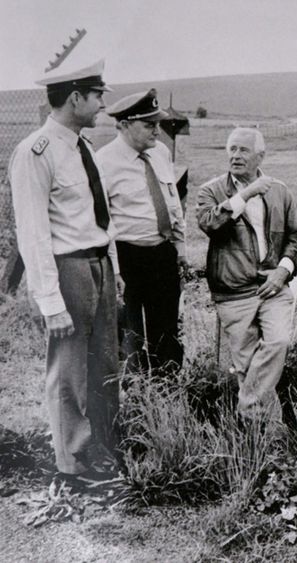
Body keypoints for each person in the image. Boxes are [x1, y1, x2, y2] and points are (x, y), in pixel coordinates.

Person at [9, 60, 121, 486]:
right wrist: (51, 303)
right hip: (68, 268)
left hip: (99, 265)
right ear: (75, 97)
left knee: (105, 365)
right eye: (97, 95)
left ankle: (105, 452)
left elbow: (99, 218)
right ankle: (73, 463)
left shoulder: (83, 146)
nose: (102, 104)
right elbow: (33, 234)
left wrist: (113, 272)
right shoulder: (35, 152)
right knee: (70, 370)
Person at [196, 127, 297, 423]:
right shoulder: (210, 190)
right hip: (232, 291)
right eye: (231, 149)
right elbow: (208, 223)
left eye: (243, 150)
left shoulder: (279, 190)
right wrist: (244, 195)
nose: (235, 155)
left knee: (278, 342)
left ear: (260, 156)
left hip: (274, 286)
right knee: (246, 366)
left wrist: (283, 271)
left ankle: (246, 408)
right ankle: (270, 439)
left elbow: (296, 237)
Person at [97, 89, 185, 376]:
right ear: (123, 125)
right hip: (126, 256)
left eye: (158, 124)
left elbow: (173, 203)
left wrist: (179, 249)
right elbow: (101, 221)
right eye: (149, 125)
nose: (157, 131)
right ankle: (135, 400)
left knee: (167, 333)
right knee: (129, 336)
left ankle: (168, 395)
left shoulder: (160, 153)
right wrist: (115, 270)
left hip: (162, 253)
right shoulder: (103, 162)